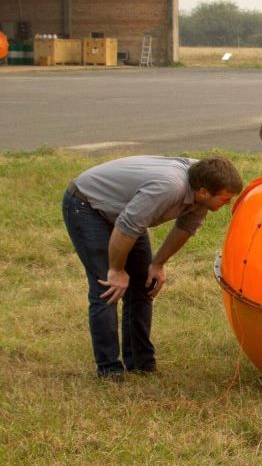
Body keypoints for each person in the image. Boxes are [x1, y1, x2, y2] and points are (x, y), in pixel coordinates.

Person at [62, 156, 243, 380]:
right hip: (88, 205)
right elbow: (127, 224)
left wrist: (157, 264)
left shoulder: (202, 187)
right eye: (225, 200)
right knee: (108, 288)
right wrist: (116, 270)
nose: (226, 204)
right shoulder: (169, 188)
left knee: (144, 285)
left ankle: (140, 362)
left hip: (127, 214)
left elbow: (185, 228)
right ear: (204, 192)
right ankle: (109, 369)